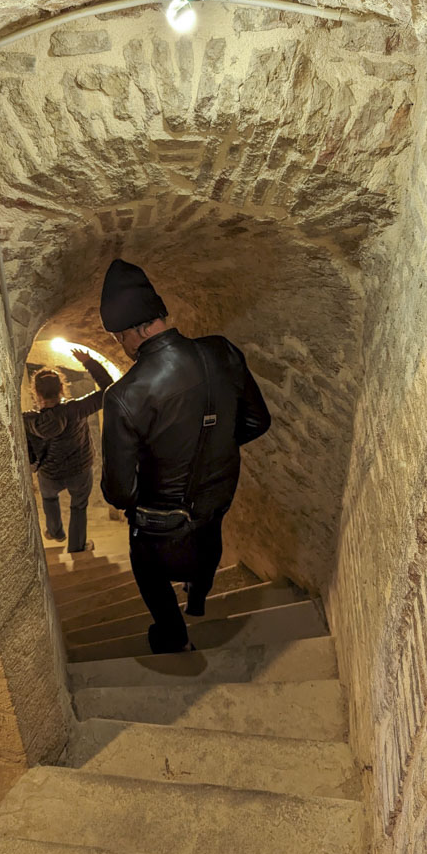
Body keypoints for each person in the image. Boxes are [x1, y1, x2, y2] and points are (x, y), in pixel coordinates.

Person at [100, 258, 271, 654]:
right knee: (209, 543)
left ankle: (174, 636)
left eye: (117, 338)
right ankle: (197, 599)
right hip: (217, 497)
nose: (120, 346)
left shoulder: (125, 395)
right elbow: (257, 422)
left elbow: (120, 493)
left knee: (149, 572)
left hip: (162, 522)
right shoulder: (222, 350)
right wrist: (213, 450)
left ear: (130, 332)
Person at [23, 349, 113, 553]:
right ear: (62, 388)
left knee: (49, 499)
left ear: (35, 392)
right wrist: (89, 362)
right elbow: (109, 390)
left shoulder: (28, 420)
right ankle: (77, 547)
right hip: (79, 469)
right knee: (78, 507)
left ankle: (55, 532)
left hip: (49, 473)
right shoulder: (76, 409)